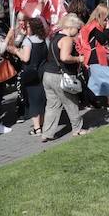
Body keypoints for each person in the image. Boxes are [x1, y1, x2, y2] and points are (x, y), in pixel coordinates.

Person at [41, 13, 90, 142]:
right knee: (71, 102)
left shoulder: (54, 37)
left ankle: (46, 133)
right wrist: (78, 58)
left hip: (48, 75)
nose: (78, 32)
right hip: (60, 76)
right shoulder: (67, 39)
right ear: (71, 27)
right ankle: (77, 129)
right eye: (77, 29)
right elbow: (64, 57)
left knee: (52, 105)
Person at [10, 15, 49, 136]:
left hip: (30, 73)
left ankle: (37, 128)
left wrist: (16, 51)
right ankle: (42, 124)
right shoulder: (44, 39)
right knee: (41, 99)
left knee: (32, 100)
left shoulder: (29, 41)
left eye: (27, 26)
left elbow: (26, 58)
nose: (26, 27)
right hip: (42, 72)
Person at [81, 5, 109, 114]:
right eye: (106, 17)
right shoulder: (94, 26)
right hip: (94, 56)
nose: (107, 19)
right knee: (106, 77)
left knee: (95, 81)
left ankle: (91, 101)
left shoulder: (95, 25)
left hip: (97, 55)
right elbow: (102, 38)